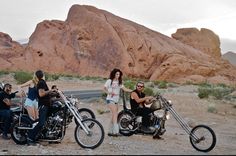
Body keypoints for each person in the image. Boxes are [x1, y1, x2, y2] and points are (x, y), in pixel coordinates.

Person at [27, 70, 58, 145]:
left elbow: (46, 93)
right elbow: (41, 94)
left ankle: (51, 136)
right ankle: (30, 138)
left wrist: (55, 93)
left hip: (46, 105)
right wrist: (51, 90)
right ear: (42, 75)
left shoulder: (42, 82)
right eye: (44, 74)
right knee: (41, 123)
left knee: (48, 120)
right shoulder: (41, 82)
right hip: (43, 105)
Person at [104, 68, 132, 136]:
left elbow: (124, 89)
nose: (118, 75)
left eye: (119, 74)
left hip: (116, 100)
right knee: (115, 114)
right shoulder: (109, 81)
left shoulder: (119, 82)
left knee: (114, 115)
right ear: (114, 74)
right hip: (110, 99)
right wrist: (109, 92)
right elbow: (104, 88)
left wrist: (133, 91)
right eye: (117, 74)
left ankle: (110, 132)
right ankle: (115, 131)